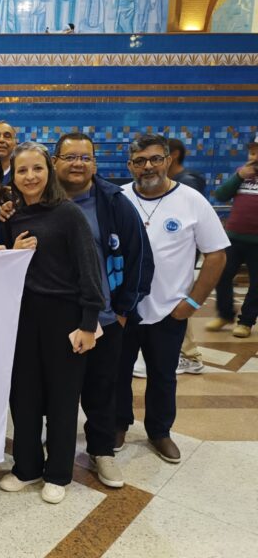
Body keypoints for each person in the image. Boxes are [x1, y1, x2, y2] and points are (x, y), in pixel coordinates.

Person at [0, 142, 104, 505]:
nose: (30, 177)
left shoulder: (68, 214)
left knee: (62, 398)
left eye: (37, 169)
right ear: (14, 175)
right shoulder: (11, 218)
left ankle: (58, 472)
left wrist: (89, 322)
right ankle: (26, 467)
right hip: (23, 316)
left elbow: (90, 269)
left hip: (64, 317)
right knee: (24, 397)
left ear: (50, 171)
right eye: (22, 170)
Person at [115, 134, 228, 464]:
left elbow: (217, 255)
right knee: (118, 373)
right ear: (130, 165)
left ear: (167, 160)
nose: (147, 166)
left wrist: (191, 303)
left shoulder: (192, 201)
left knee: (163, 376)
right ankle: (119, 424)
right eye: (139, 161)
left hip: (170, 311)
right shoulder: (118, 198)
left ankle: (160, 432)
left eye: (154, 159)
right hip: (126, 310)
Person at [53, 133, 154, 489]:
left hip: (104, 319)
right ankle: (57, 453)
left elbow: (140, 256)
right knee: (57, 393)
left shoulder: (114, 203)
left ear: (95, 163)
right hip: (56, 321)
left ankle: (102, 453)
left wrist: (123, 310)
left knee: (102, 390)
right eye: (69, 157)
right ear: (56, 162)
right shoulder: (38, 200)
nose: (77, 164)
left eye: (85, 157)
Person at [206, 143, 258, 338]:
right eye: (252, 152)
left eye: (257, 152)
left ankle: (246, 322)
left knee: (256, 285)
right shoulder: (242, 173)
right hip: (234, 238)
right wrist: (238, 176)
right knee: (222, 275)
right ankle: (225, 314)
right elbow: (221, 195)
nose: (254, 156)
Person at [166, 138, 208, 374]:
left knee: (178, 300)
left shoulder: (187, 184)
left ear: (172, 155)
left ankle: (190, 355)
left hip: (182, 255)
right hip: (178, 255)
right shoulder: (183, 179)